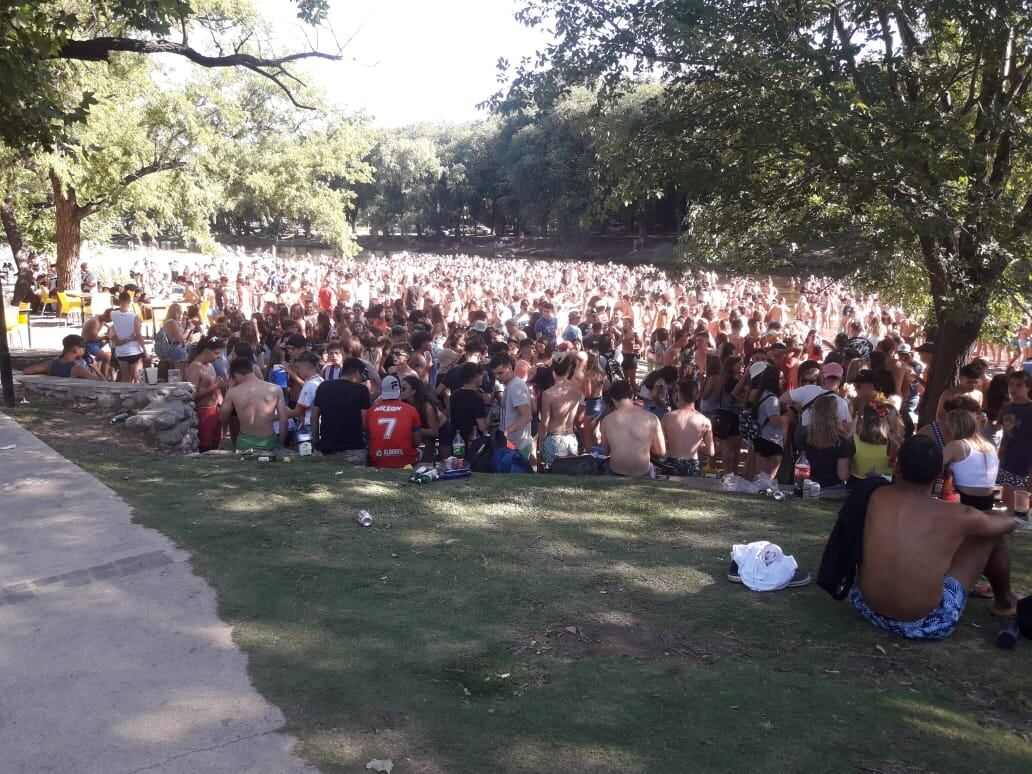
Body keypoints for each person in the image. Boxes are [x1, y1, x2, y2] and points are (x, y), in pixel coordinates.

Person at [848, 435, 1016, 639]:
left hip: (867, 607)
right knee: (990, 535)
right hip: (926, 623)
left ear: (897, 467)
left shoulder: (874, 496)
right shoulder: (958, 515)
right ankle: (1004, 603)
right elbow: (1008, 524)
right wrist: (992, 515)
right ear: (939, 473)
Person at [219, 357, 289, 452]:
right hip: (269, 441)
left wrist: (230, 387)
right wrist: (281, 444)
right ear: (251, 370)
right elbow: (284, 420)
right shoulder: (276, 389)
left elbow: (222, 417)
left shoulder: (232, 392)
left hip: (245, 442)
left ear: (236, 375)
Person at [600, 380, 665, 477]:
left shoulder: (606, 421)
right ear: (632, 396)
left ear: (613, 399)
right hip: (643, 472)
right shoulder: (652, 419)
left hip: (616, 471)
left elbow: (605, 452)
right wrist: (645, 444)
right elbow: (661, 452)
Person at [311, 357, 370, 462]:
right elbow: (365, 422)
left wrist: (316, 442)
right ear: (357, 373)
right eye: (361, 376)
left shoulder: (323, 386)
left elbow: (314, 417)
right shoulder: (362, 390)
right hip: (353, 446)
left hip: (327, 445)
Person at [942, 409, 999, 512]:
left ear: (954, 428)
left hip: (965, 502)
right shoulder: (990, 446)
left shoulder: (957, 445)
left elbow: (931, 466)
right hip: (988, 502)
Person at [537, 354, 584, 465]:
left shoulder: (548, 393)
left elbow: (544, 423)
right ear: (569, 369)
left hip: (554, 438)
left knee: (554, 473)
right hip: (571, 437)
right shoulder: (577, 390)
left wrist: (540, 445)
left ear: (553, 370)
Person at [366, 375, 423, 468]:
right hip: (405, 460)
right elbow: (417, 442)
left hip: (378, 460)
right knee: (419, 452)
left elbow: (370, 440)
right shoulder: (411, 410)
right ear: (399, 389)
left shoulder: (371, 410)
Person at [660, 378, 714, 476]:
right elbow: (711, 451)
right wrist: (696, 444)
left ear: (679, 395)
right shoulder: (705, 421)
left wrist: (675, 442)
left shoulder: (667, 417)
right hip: (693, 467)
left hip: (672, 465)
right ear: (697, 396)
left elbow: (662, 448)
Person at [997, 370, 1032, 513]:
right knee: (1006, 500)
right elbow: (1005, 434)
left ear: (1028, 388)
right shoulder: (1007, 407)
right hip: (1007, 462)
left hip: (1024, 465)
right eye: (1011, 385)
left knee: (1018, 507)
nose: (1014, 388)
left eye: (1019, 385)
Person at [801, 394, 853, 488]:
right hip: (832, 488)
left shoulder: (803, 435)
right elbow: (843, 476)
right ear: (834, 415)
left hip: (808, 485)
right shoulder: (841, 442)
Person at [185, 336, 225, 452]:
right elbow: (192, 395)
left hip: (214, 411)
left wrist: (219, 396)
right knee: (205, 448)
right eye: (216, 353)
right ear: (206, 350)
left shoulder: (210, 365)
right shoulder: (195, 368)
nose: (218, 357)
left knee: (215, 445)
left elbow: (214, 385)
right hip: (202, 413)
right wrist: (215, 386)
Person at [490, 354, 533, 459]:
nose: (497, 377)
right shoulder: (510, 384)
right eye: (494, 374)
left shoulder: (515, 386)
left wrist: (507, 431)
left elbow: (527, 416)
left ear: (509, 368)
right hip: (512, 444)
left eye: (500, 373)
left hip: (517, 445)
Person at [849, 401, 900, 487]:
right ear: (884, 420)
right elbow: (889, 469)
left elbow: (848, 468)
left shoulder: (852, 440)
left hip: (856, 485)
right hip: (880, 486)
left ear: (864, 418)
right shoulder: (891, 444)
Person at [22, 334, 100, 380]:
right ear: (75, 349)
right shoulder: (77, 369)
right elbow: (103, 383)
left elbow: (27, 371)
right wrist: (96, 369)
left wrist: (45, 371)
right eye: (82, 347)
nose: (84, 349)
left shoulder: (51, 364)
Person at [110, 291, 146, 382]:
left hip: (121, 352)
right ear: (130, 302)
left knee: (125, 379)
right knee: (138, 379)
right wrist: (145, 351)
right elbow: (138, 335)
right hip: (134, 350)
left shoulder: (113, 314)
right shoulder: (134, 317)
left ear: (119, 301)